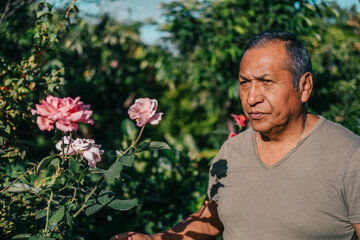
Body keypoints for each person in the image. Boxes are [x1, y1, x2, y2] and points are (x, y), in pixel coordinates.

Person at [111, 30, 360, 240]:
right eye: (244, 83)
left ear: (304, 86)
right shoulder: (232, 152)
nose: (252, 98)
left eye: (266, 82)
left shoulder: (349, 156)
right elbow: (212, 218)